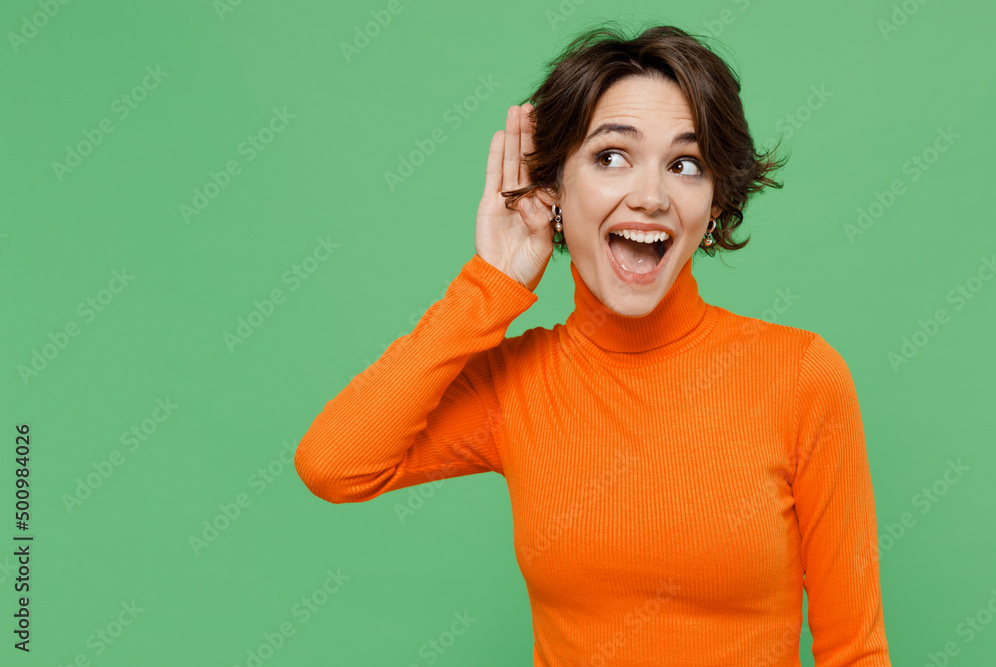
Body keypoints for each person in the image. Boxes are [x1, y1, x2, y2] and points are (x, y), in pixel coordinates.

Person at [295, 23, 892, 666]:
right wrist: (491, 285)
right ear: (552, 189)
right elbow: (335, 464)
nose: (651, 196)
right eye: (611, 156)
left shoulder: (802, 375)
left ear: (714, 202)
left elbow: (854, 649)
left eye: (685, 164)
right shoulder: (518, 383)